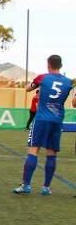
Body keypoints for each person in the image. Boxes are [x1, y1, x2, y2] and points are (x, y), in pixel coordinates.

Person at [14, 54, 75, 195]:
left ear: (48, 64)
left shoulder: (42, 77)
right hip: (57, 120)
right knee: (51, 152)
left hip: (42, 118)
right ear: (61, 65)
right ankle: (46, 187)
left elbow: (27, 88)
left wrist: (36, 86)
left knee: (33, 150)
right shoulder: (68, 82)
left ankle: (26, 185)